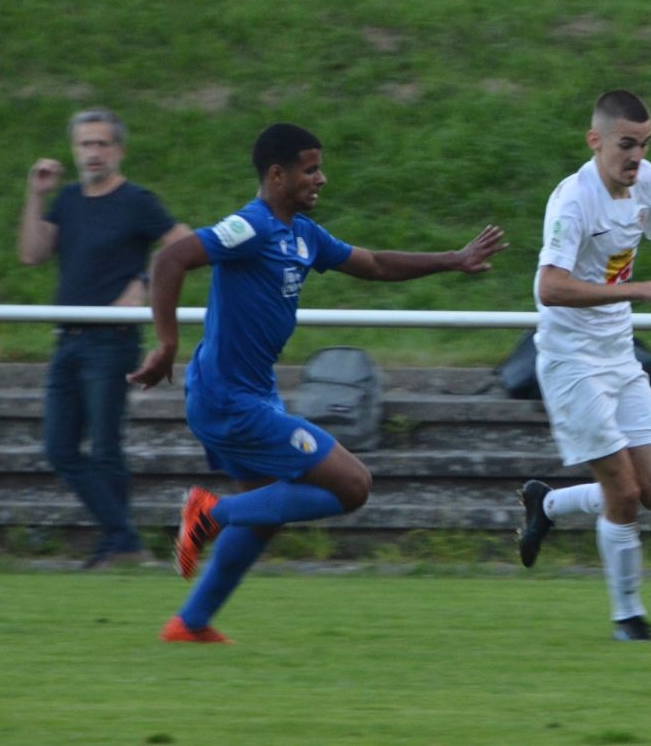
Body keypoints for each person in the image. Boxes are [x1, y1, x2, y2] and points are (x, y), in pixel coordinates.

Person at [127, 122, 506, 643]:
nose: (321, 179)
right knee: (352, 485)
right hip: (228, 400)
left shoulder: (303, 235)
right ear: (277, 176)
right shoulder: (250, 226)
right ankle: (211, 514)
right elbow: (171, 258)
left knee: (267, 510)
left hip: (250, 395)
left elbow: (374, 264)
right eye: (310, 170)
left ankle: (188, 623)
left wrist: (452, 260)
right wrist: (166, 343)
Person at [516, 90, 651, 641]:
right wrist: (639, 290)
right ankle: (628, 617)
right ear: (595, 141)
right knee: (624, 491)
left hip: (619, 356)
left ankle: (549, 503)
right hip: (572, 363)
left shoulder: (648, 183)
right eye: (626, 145)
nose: (636, 157)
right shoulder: (573, 201)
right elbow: (550, 286)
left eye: (645, 144)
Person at [18, 108, 190, 570]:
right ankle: (123, 538)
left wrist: (143, 284)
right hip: (68, 339)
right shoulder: (68, 200)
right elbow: (31, 254)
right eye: (84, 144)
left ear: (119, 150)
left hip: (111, 342)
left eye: (101, 144)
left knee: (105, 446)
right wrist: (36, 195)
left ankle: (119, 543)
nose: (92, 153)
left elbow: (184, 244)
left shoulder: (136, 201)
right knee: (59, 448)